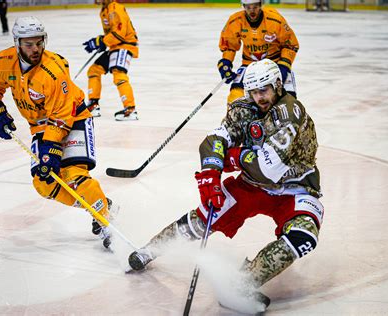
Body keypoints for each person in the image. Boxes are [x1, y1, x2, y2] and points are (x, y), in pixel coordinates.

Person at [127, 59, 324, 311]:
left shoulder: (290, 114)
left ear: (277, 85)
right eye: (253, 91)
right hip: (251, 186)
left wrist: (232, 157)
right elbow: (215, 140)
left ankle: (242, 283)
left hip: (295, 189)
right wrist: (210, 174)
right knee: (204, 217)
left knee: (303, 236)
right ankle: (150, 249)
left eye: (264, 90)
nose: (258, 97)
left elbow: (267, 170)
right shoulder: (244, 108)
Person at [0, 16, 115, 248]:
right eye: (29, 44)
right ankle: (99, 204)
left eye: (39, 42)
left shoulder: (53, 70)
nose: (36, 49)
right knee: (44, 184)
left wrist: (51, 148)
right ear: (17, 42)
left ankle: (107, 222)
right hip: (40, 128)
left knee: (74, 176)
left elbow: (62, 116)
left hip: (73, 120)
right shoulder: (2, 62)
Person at [218, 0, 299, 105]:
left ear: (261, 5)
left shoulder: (275, 20)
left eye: (255, 7)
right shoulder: (235, 21)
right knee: (235, 98)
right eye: (248, 7)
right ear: (243, 6)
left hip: (275, 64)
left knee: (288, 102)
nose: (252, 11)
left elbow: (290, 45)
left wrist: (283, 66)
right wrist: (226, 62)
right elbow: (229, 46)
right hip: (249, 65)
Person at [82, 0, 139, 121]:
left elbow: (120, 34)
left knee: (118, 73)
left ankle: (130, 109)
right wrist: (100, 41)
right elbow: (112, 33)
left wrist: (101, 42)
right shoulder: (105, 10)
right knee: (94, 71)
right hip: (115, 46)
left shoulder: (115, 8)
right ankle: (93, 105)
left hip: (124, 45)